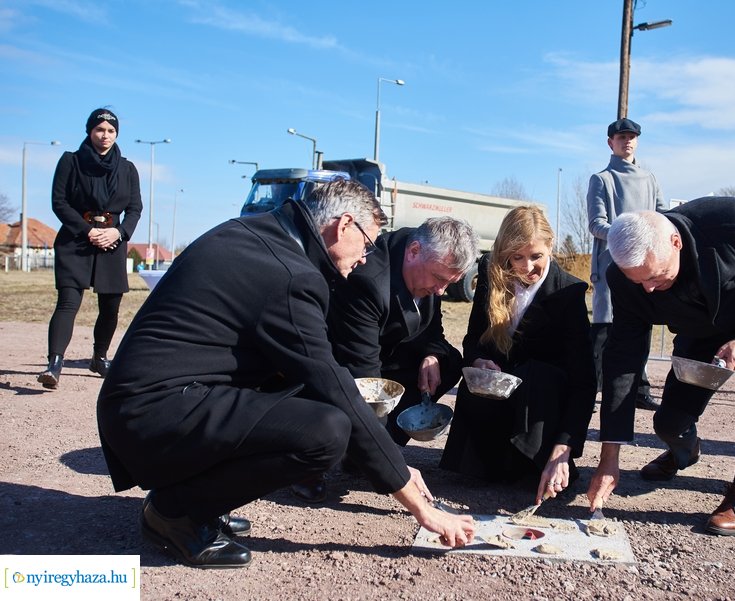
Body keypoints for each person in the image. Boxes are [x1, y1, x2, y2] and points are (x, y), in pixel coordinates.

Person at [96, 180, 475, 569]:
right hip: (152, 412)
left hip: (153, 399)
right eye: (366, 244)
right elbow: (336, 386)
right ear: (344, 225)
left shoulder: (259, 236)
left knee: (300, 393)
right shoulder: (289, 273)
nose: (366, 256)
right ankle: (174, 512)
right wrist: (409, 491)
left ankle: (202, 498)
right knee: (326, 431)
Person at [587, 200, 735, 536]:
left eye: (654, 276)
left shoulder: (731, 222)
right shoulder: (625, 280)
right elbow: (622, 360)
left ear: (675, 242)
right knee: (668, 422)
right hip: (701, 328)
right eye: (639, 282)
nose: (648, 289)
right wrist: (609, 457)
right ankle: (682, 453)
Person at [439, 206, 596, 505]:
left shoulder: (569, 293)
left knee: (536, 374)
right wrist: (477, 361)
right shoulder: (489, 273)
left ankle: (538, 459)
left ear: (550, 246)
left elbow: (584, 379)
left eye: (536, 256)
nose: (526, 267)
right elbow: (473, 339)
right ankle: (487, 458)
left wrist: (565, 446)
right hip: (498, 392)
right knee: (479, 377)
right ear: (505, 253)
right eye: (517, 257)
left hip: (542, 402)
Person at [328, 216, 479, 447]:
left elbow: (432, 330)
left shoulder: (429, 265)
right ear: (414, 251)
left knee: (448, 361)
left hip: (391, 352)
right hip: (348, 362)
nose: (440, 292)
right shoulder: (368, 280)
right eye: (439, 279)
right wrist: (388, 467)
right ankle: (369, 446)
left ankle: (388, 439)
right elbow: (364, 373)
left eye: (449, 283)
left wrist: (432, 355)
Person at [38, 108, 142, 389]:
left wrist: (118, 232)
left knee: (110, 307)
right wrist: (88, 231)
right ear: (89, 131)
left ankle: (99, 357)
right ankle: (54, 364)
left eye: (110, 131)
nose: (105, 135)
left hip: (112, 242)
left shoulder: (128, 169)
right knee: (68, 302)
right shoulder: (70, 162)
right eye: (99, 130)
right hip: (76, 240)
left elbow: (134, 209)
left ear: (116, 134)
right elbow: (59, 202)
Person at [587, 117, 666, 412]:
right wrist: (629, 236)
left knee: (639, 324)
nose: (627, 140)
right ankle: (587, 389)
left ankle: (639, 387)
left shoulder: (650, 178)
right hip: (611, 263)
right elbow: (596, 224)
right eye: (621, 137)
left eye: (632, 136)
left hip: (645, 262)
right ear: (611, 142)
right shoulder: (601, 179)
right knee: (604, 328)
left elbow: (661, 215)